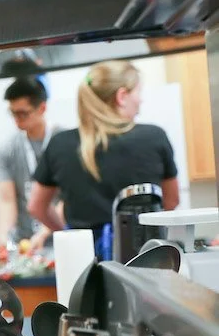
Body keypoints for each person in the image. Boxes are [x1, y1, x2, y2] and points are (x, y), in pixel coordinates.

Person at [29, 60, 179, 237]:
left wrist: (69, 234)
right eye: (138, 92)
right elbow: (172, 200)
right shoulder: (153, 137)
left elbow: (36, 207)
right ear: (122, 96)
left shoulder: (59, 144)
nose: (141, 100)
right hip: (145, 255)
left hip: (85, 260)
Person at [0, 76, 63, 252]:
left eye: (23, 113)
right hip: (25, 243)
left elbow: (69, 198)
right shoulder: (7, 149)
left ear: (42, 108)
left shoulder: (63, 142)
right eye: (13, 113)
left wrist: (43, 233)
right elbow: (7, 199)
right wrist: (4, 238)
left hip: (61, 238)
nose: (17, 119)